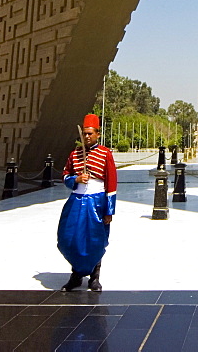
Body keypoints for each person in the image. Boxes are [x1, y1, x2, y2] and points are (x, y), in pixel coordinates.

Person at [57, 114, 116, 292]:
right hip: (76, 201)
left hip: (96, 202)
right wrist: (76, 179)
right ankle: (76, 275)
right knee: (70, 238)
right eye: (84, 133)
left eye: (90, 133)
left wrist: (109, 211)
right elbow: (65, 175)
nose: (87, 136)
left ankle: (94, 277)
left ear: (98, 134)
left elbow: (111, 184)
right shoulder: (74, 154)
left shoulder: (105, 154)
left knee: (95, 240)